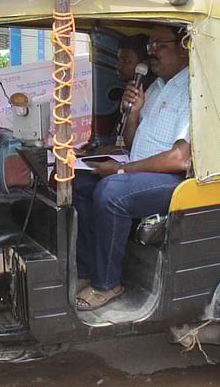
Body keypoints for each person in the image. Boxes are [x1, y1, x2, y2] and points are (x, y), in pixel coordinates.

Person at [73, 24, 191, 311]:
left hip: (173, 180)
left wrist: (123, 171)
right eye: (149, 46)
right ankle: (87, 269)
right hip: (141, 172)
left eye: (159, 44)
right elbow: (131, 141)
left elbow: (179, 158)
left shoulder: (193, 87)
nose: (151, 52)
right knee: (79, 181)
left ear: (184, 47)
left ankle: (107, 283)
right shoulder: (156, 86)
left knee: (111, 192)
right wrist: (134, 112)